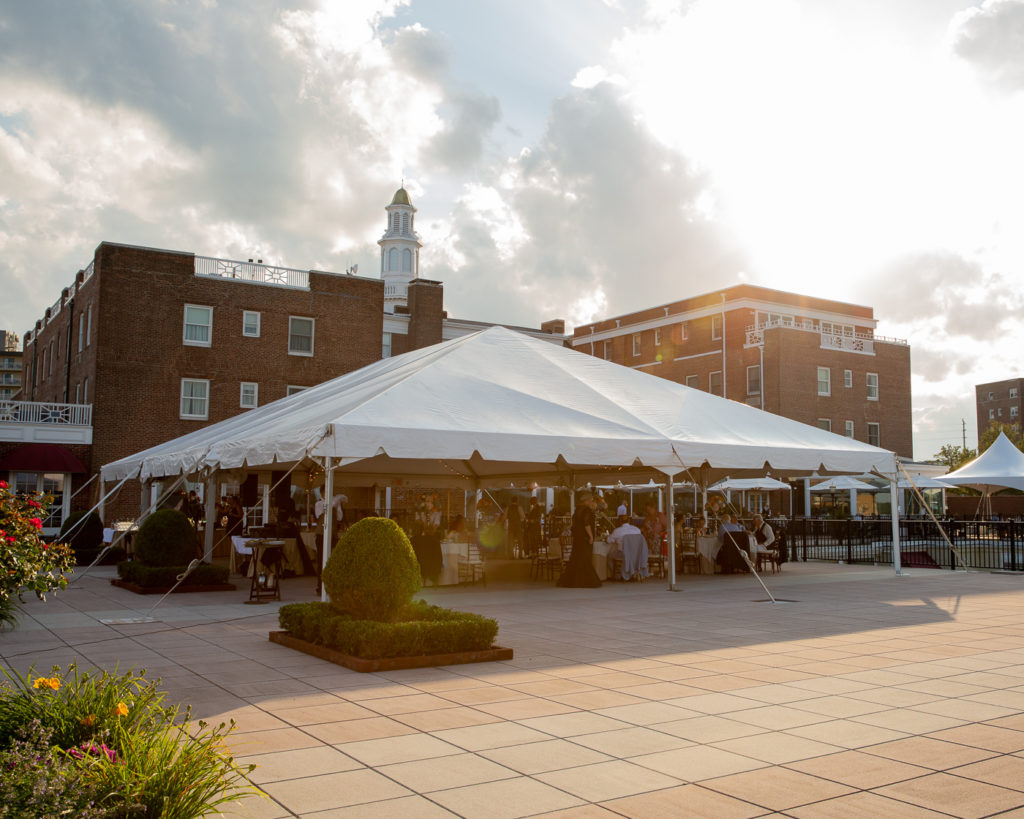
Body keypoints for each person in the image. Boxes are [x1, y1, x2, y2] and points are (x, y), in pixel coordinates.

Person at [556, 491, 602, 588]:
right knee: (585, 559)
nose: (592, 501)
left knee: (577, 558)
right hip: (585, 538)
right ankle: (586, 581)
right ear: (588, 500)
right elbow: (586, 524)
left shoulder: (577, 510)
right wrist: (591, 536)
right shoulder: (586, 510)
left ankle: (575, 580)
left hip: (578, 538)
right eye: (591, 500)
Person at [606, 515, 646, 581]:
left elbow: (608, 540)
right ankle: (632, 573)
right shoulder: (637, 530)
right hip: (636, 554)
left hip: (623, 554)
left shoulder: (617, 531)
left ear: (619, 521)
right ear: (629, 521)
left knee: (609, 556)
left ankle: (616, 574)